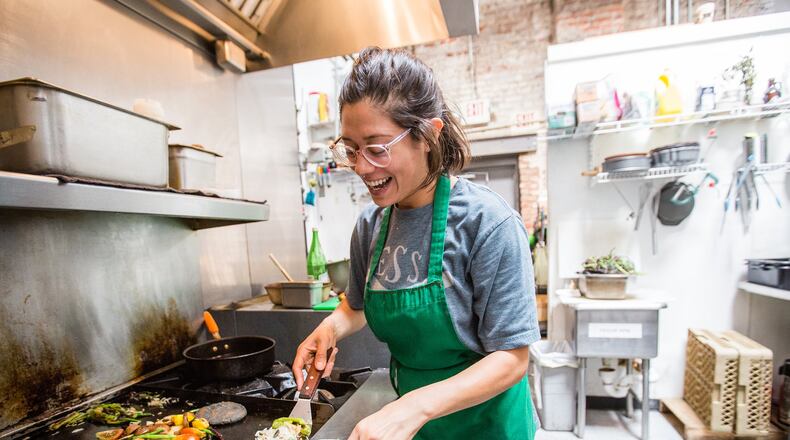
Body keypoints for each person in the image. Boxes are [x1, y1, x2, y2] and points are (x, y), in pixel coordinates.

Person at [292, 46, 540, 440]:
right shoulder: (371, 225)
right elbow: (355, 305)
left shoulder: (488, 224)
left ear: (428, 135)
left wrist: (413, 406)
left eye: (376, 148)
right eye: (351, 150)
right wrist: (331, 327)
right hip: (416, 428)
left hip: (487, 427)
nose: (360, 167)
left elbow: (512, 358)